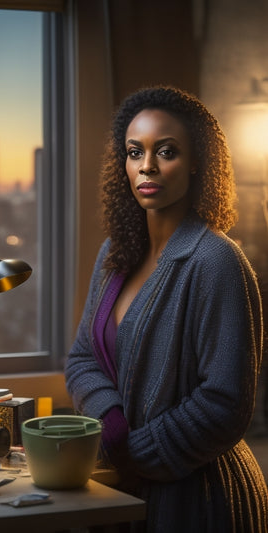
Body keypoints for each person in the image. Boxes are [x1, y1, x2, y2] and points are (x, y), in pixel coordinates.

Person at [64, 86, 268, 532]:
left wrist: (138, 455)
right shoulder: (115, 252)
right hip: (122, 483)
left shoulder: (217, 262)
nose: (147, 166)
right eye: (135, 152)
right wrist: (112, 426)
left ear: (197, 162)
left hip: (199, 497)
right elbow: (81, 358)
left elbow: (227, 403)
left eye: (167, 151)